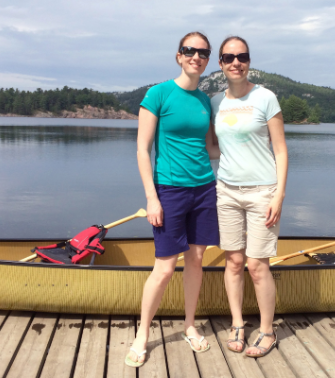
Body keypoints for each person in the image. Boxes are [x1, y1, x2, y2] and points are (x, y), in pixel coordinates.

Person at [125, 31, 219, 367]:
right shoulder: (158, 93)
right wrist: (152, 197)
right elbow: (141, 149)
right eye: (189, 50)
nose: (196, 56)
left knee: (196, 260)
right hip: (170, 190)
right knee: (164, 268)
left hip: (205, 188)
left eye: (203, 52)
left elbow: (210, 149)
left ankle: (190, 326)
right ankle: (142, 334)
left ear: (207, 60)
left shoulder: (206, 101)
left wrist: (248, 149)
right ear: (178, 56)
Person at [208, 36, 288, 358]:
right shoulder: (215, 101)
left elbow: (280, 150)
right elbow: (213, 147)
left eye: (242, 56)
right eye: (229, 57)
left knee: (257, 265)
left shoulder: (266, 97)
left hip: (262, 192)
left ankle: (267, 331)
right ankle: (238, 323)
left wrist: (278, 195)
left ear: (249, 61)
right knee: (234, 261)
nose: (236, 62)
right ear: (221, 63)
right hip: (226, 190)